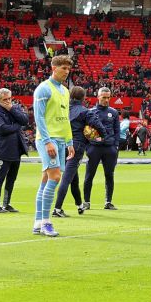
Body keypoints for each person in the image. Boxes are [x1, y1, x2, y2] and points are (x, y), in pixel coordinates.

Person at [32, 55, 74, 237]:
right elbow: (39, 117)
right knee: (55, 177)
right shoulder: (43, 89)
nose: (66, 71)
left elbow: (65, 119)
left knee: (45, 180)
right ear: (54, 67)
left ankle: (38, 222)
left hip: (61, 139)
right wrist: (48, 141)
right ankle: (47, 223)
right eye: (63, 68)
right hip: (46, 139)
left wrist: (70, 141)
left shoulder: (65, 91)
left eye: (68, 68)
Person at [53, 86, 95, 218]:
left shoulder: (63, 108)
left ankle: (79, 204)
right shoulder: (84, 111)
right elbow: (92, 129)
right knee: (66, 178)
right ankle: (57, 209)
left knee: (73, 178)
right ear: (83, 97)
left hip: (61, 144)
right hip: (76, 146)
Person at [0, 88, 30, 213]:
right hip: (4, 149)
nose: (8, 101)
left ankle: (6, 204)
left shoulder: (14, 107)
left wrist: (11, 109)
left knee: (12, 178)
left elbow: (25, 120)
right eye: (5, 100)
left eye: (9, 99)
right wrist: (17, 126)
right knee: (0, 177)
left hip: (17, 148)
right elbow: (2, 128)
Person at [82, 87, 121, 211]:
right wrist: (88, 147)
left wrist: (115, 146)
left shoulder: (113, 112)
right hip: (94, 148)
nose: (106, 100)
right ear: (98, 97)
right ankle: (87, 202)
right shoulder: (90, 112)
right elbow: (85, 131)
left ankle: (108, 202)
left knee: (109, 175)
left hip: (109, 149)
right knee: (89, 175)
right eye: (103, 97)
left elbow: (117, 131)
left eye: (108, 97)